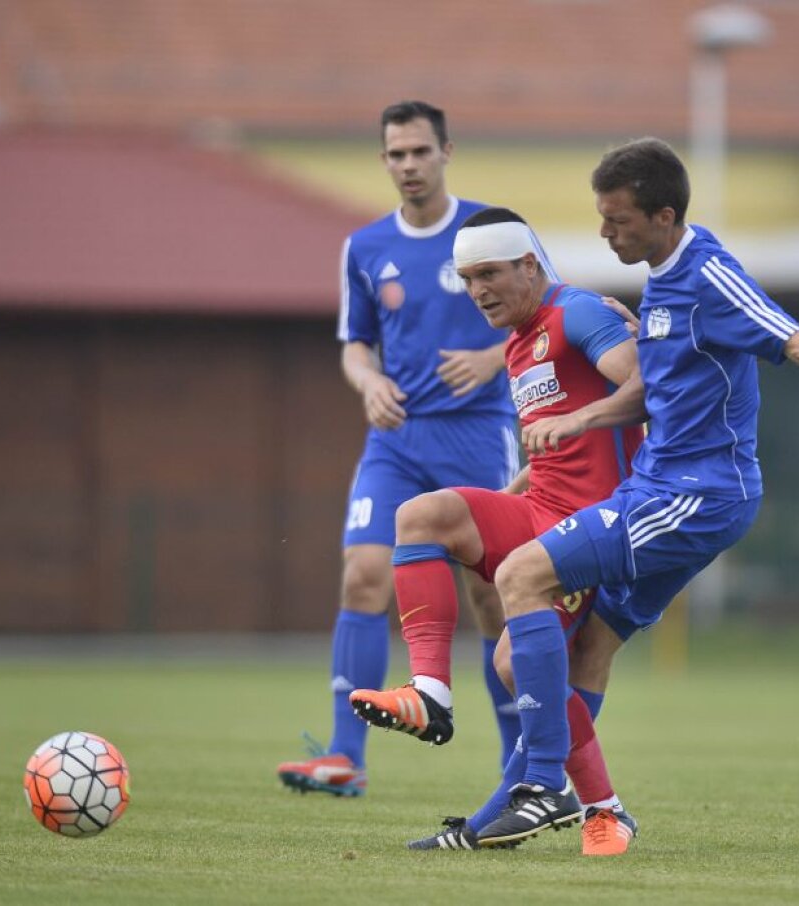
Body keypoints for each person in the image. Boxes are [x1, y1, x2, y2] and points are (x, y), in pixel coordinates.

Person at [474, 137, 799, 845]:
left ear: (662, 216)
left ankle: (539, 786)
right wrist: (581, 419)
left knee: (518, 575)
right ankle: (602, 813)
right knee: (584, 649)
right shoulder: (659, 279)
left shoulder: (707, 272)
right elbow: (655, 392)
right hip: (665, 486)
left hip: (695, 493)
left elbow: (779, 329)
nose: (604, 232)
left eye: (617, 220)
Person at [277, 101, 554, 797]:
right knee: (362, 575)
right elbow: (356, 344)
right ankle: (345, 756)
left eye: (419, 152)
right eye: (395, 154)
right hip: (396, 440)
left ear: (446, 152)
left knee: (495, 597)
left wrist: (495, 359)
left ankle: (520, 762)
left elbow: (550, 312)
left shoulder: (493, 231)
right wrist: (368, 381)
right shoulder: (365, 247)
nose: (408, 166)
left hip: (477, 432)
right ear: (384, 161)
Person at [349, 207, 645, 856]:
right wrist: (505, 494)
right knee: (421, 515)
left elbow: (649, 387)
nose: (478, 289)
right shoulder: (517, 344)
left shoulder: (581, 314)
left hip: (591, 527)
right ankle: (430, 690)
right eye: (467, 277)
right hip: (540, 508)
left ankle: (598, 805)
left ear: (530, 265)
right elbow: (551, 459)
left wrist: (588, 412)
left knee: (517, 662)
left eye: (490, 273)